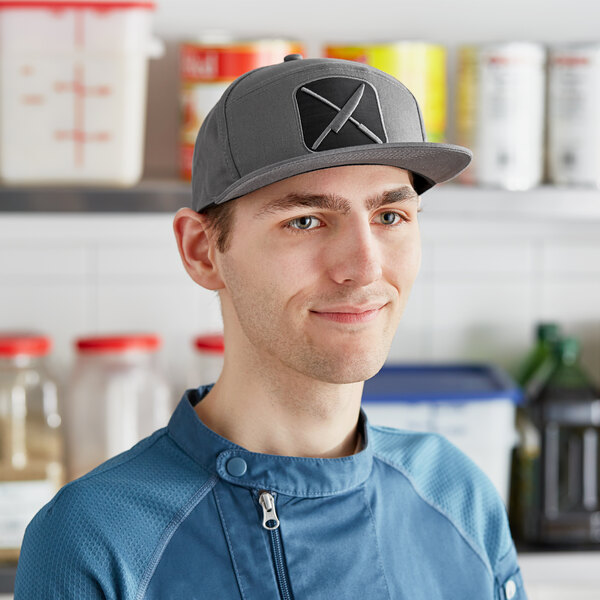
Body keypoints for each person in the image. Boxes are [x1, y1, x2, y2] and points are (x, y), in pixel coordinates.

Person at [15, 54, 526, 600]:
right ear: (202, 252)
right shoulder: (96, 540)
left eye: (389, 217)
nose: (365, 266)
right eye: (304, 221)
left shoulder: (457, 495)